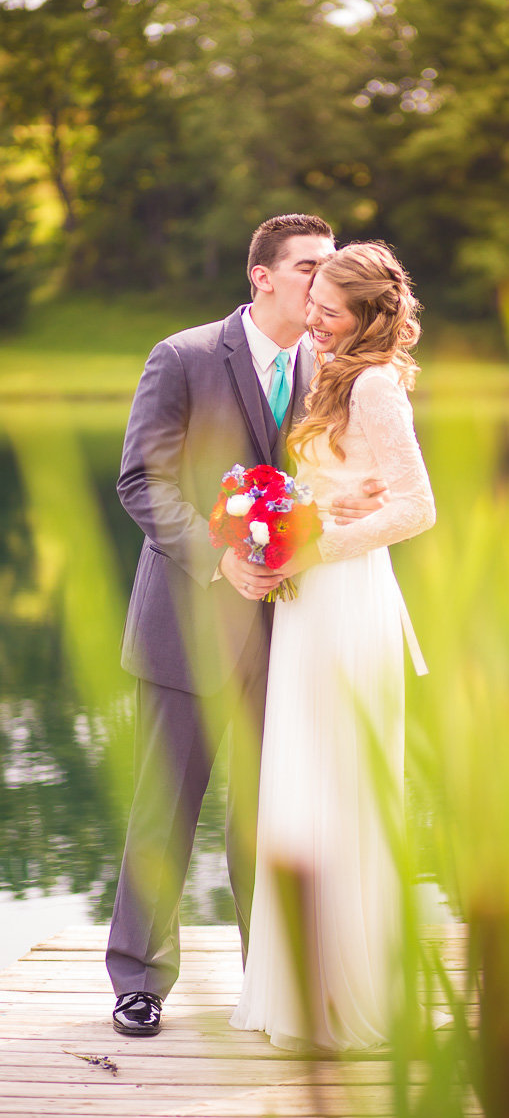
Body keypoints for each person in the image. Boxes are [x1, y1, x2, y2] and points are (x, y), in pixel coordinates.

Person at [107, 214, 388, 1037]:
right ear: (260, 275)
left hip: (295, 632)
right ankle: (139, 981)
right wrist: (217, 557)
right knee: (165, 812)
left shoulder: (337, 371)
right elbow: (141, 480)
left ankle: (270, 983)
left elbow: (340, 482)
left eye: (330, 269)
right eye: (307, 267)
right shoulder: (186, 356)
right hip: (186, 625)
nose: (321, 283)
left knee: (273, 814)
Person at [230, 242, 435, 1051]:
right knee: (299, 781)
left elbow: (416, 508)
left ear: (368, 319)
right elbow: (329, 485)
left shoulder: (378, 385)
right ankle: (299, 990)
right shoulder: (329, 374)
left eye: (327, 313)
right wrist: (294, 515)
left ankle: (351, 992)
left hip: (348, 604)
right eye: (309, 305)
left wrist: (314, 549)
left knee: (340, 781)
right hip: (308, 606)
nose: (311, 320)